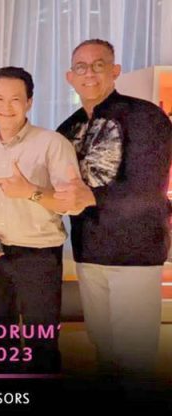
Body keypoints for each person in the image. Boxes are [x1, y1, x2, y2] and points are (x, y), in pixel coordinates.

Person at [57, 39, 172, 374]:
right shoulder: (67, 129)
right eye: (81, 67)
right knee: (103, 348)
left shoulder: (145, 117)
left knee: (135, 355)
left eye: (99, 65)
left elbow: (150, 187)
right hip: (89, 251)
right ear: (69, 76)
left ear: (115, 70)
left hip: (135, 252)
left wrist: (91, 197)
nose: (89, 74)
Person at [0, 67, 82, 372]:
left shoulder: (52, 144)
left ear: (29, 102)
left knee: (41, 343)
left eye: (15, 99)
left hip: (38, 257)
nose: (6, 106)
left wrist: (30, 191)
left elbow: (72, 204)